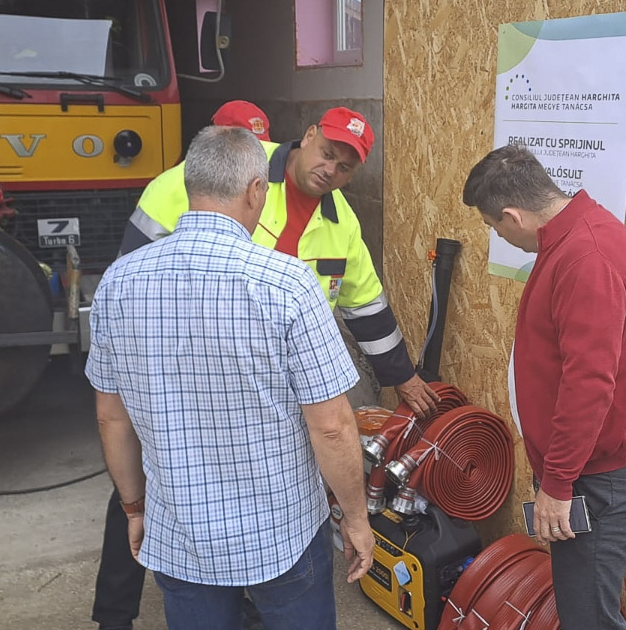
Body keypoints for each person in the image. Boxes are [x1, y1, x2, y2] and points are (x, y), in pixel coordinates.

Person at [94, 105, 439, 630]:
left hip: (195, 488)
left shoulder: (340, 220)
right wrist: (355, 518)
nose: (332, 169)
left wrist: (403, 375)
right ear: (303, 140)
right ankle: (114, 616)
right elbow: (332, 423)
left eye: (346, 166)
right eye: (328, 153)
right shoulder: (200, 183)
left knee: (155, 510)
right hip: (245, 476)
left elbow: (366, 306)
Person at [92, 99, 274, 630]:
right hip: (167, 353)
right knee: (135, 489)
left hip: (224, 354)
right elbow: (131, 272)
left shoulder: (264, 186)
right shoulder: (169, 187)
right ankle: (114, 614)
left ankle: (234, 595)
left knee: (213, 488)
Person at [462, 144, 626, 630]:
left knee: (588, 617)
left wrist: (558, 483)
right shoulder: (573, 236)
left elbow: (589, 384)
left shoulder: (585, 256)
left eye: (495, 228)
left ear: (513, 216)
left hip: (597, 478)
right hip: (585, 471)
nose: (501, 236)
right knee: (583, 605)